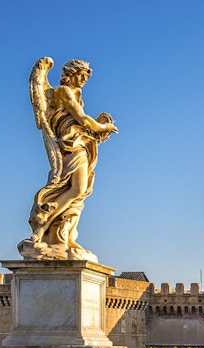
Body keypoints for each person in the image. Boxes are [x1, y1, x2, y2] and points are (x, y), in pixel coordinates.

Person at [22, 57, 118, 260]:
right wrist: (104, 127)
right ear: (71, 74)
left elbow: (81, 124)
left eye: (86, 76)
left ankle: (62, 236)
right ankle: (42, 229)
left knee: (78, 193)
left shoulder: (76, 94)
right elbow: (81, 120)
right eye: (81, 75)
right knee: (76, 189)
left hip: (79, 144)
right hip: (70, 145)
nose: (83, 79)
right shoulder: (63, 92)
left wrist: (97, 129)